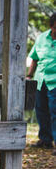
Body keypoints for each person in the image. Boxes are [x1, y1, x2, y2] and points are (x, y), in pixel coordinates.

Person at [27, 13, 56, 155]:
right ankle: (45, 140)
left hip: (55, 82)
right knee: (41, 110)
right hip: (41, 80)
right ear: (51, 26)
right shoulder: (42, 38)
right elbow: (34, 58)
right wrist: (29, 75)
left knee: (54, 112)